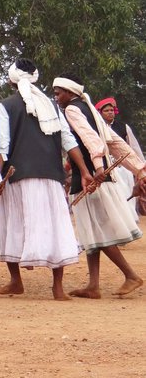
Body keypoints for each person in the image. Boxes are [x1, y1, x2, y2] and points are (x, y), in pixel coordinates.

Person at [0, 59, 88, 300]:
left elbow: (2, 145)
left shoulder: (7, 105)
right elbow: (69, 141)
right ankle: (57, 288)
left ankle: (16, 281)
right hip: (51, 176)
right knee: (56, 227)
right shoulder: (52, 106)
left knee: (12, 224)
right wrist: (85, 171)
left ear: (12, 79)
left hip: (18, 176)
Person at [53, 74, 146, 298]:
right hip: (98, 176)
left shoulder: (72, 110)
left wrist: (95, 168)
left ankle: (130, 275)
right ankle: (93, 285)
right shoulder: (89, 109)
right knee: (91, 232)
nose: (56, 98)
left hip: (89, 178)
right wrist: (140, 169)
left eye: (58, 93)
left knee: (98, 233)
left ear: (70, 92)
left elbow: (92, 141)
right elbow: (114, 142)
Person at [95, 97, 143, 220]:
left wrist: (140, 168)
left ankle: (131, 219)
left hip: (124, 167)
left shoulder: (123, 127)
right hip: (107, 168)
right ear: (100, 113)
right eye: (106, 111)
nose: (110, 112)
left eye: (112, 110)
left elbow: (134, 147)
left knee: (127, 191)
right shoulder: (96, 128)